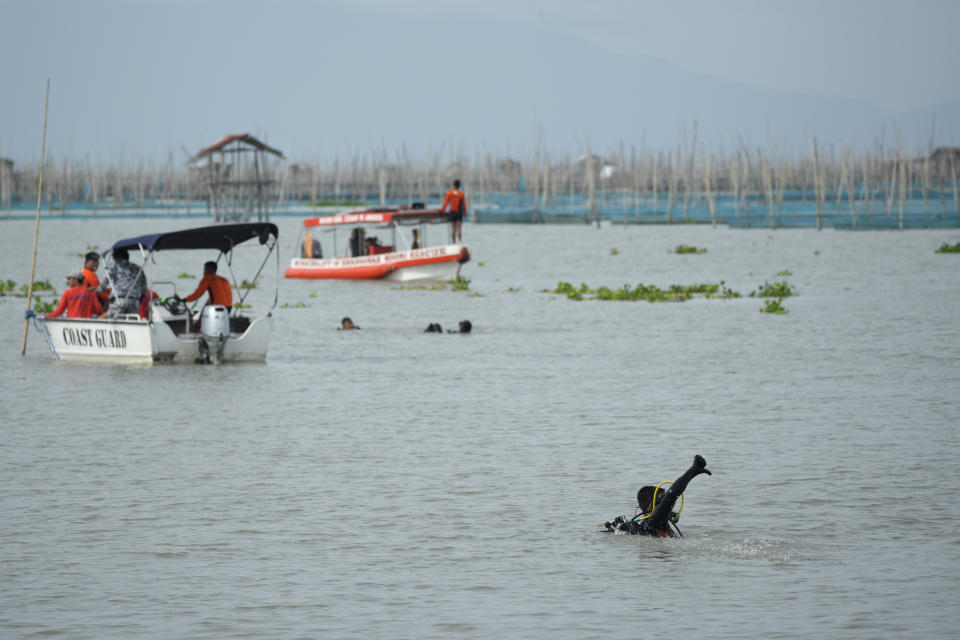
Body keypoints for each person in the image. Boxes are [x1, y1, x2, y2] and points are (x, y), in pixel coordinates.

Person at [603, 455, 711, 537]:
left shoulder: (647, 525)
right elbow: (672, 494)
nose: (669, 504)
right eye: (662, 499)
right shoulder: (655, 521)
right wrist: (693, 470)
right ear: (651, 507)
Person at [106, 248, 147, 318]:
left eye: (113, 256)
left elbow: (104, 283)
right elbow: (144, 290)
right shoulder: (138, 268)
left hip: (119, 301)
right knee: (132, 324)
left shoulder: (114, 265)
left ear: (117, 256)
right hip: (134, 302)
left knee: (112, 323)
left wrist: (96, 290)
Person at [439, 179, 466, 244]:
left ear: (453, 185)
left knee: (453, 229)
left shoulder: (449, 193)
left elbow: (446, 202)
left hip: (452, 212)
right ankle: (460, 242)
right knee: (459, 228)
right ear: (459, 186)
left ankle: (454, 243)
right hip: (459, 212)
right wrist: (465, 211)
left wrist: (442, 210)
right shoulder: (461, 194)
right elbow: (464, 204)